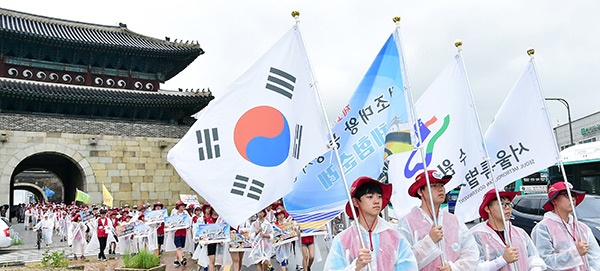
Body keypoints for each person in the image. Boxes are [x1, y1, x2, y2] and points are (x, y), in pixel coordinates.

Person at [324, 176, 417, 270]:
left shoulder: (395, 236)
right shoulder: (343, 239)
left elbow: (409, 267)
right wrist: (356, 266)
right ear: (356, 202)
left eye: (379, 196)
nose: (376, 201)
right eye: (370, 197)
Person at [398, 170, 479, 271]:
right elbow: (402, 261)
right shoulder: (407, 222)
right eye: (433, 186)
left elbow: (471, 253)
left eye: (441, 185)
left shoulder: (453, 220)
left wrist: (453, 268)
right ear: (420, 191)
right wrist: (429, 241)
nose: (440, 189)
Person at [470, 189, 546, 270]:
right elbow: (473, 267)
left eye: (509, 204)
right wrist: (502, 260)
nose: (507, 208)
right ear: (487, 209)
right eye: (502, 204)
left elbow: (534, 257)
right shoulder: (477, 235)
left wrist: (535, 268)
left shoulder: (520, 233)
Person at [531, 181, 600, 270]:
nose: (572, 199)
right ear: (554, 200)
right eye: (567, 195)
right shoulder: (543, 228)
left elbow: (595, 257)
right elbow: (544, 261)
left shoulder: (582, 228)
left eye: (574, 195)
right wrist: (574, 253)